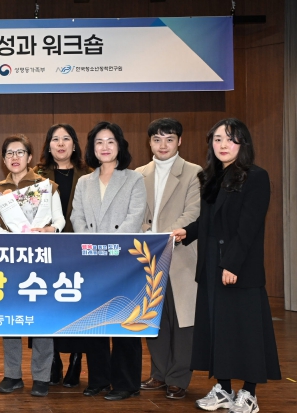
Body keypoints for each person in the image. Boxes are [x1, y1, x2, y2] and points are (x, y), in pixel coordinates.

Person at [172, 118, 281, 413]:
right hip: (210, 266)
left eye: (231, 139)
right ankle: (223, 389)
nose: (223, 145)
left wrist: (232, 264)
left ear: (243, 143)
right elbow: (208, 221)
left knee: (244, 331)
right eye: (218, 139)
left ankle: (249, 393)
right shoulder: (211, 177)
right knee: (217, 331)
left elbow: (249, 228)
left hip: (238, 268)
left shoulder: (255, 177)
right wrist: (187, 232)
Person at [70, 121, 146, 401]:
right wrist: (93, 247)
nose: (104, 147)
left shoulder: (134, 179)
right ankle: (99, 379)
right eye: (99, 142)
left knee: (125, 321)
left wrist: (109, 248)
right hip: (92, 261)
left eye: (110, 141)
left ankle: (126, 383)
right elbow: (76, 217)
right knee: (96, 321)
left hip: (124, 261)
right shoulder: (84, 182)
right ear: (92, 148)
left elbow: (135, 217)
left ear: (120, 146)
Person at [0, 134, 64, 397]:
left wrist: (50, 229)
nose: (15, 157)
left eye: (20, 152)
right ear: (3, 159)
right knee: (10, 319)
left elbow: (60, 221)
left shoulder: (47, 186)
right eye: (9, 153)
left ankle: (42, 377)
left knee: (41, 317)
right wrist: (10, 236)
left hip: (41, 259)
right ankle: (12, 375)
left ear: (30, 157)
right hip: (10, 260)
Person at [136, 118, 201, 400]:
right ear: (149, 142)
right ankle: (159, 373)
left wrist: (162, 237)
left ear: (179, 141)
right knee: (154, 318)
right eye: (157, 139)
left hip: (181, 255)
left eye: (169, 139)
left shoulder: (194, 172)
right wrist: (147, 236)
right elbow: (135, 213)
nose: (163, 145)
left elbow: (193, 212)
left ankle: (178, 377)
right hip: (149, 258)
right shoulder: (138, 174)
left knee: (183, 321)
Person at [35, 123, 92, 388]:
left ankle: (77, 359)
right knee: (47, 306)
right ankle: (53, 359)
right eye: (55, 139)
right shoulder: (36, 175)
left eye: (66, 139)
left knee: (77, 305)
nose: (60, 144)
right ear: (48, 146)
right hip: (47, 251)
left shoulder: (89, 174)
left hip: (79, 251)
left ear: (75, 144)